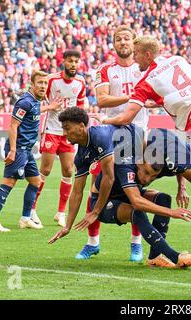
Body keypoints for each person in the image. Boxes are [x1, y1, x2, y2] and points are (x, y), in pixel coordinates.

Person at [95, 35, 191, 268]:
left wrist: (103, 118)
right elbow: (174, 94)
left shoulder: (145, 82)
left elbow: (125, 117)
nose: (135, 59)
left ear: (146, 54)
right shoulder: (177, 59)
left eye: (137, 54)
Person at [48, 107, 191, 268]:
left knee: (163, 199)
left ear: (81, 126)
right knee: (136, 211)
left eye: (67, 128)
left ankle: (155, 256)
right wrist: (70, 225)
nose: (64, 133)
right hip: (106, 201)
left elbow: (112, 174)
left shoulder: (101, 136)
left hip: (122, 189)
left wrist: (181, 185)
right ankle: (176, 257)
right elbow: (78, 192)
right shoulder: (81, 156)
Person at [76, 26, 150, 262]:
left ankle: (136, 244)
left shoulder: (144, 69)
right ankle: (92, 243)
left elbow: (155, 97)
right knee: (96, 189)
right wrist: (135, 97)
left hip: (138, 134)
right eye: (118, 39)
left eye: (127, 38)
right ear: (114, 44)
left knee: (134, 189)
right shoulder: (105, 70)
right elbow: (103, 99)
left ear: (134, 42)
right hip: (110, 134)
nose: (123, 42)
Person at [0, 70, 62, 232]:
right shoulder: (24, 102)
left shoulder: (35, 102)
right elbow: (13, 126)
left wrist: (50, 107)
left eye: (45, 83)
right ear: (32, 85)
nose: (43, 86)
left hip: (27, 150)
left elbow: (35, 111)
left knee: (36, 182)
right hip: (18, 149)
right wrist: (12, 150)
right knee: (8, 182)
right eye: (39, 83)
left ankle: (26, 218)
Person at [31, 50, 87, 228]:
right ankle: (31, 209)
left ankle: (61, 213)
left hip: (68, 134)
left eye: (76, 61)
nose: (73, 64)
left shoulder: (80, 83)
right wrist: (49, 106)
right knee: (45, 170)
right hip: (51, 129)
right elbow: (37, 98)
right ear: (64, 62)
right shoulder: (52, 79)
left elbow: (79, 106)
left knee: (69, 171)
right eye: (70, 61)